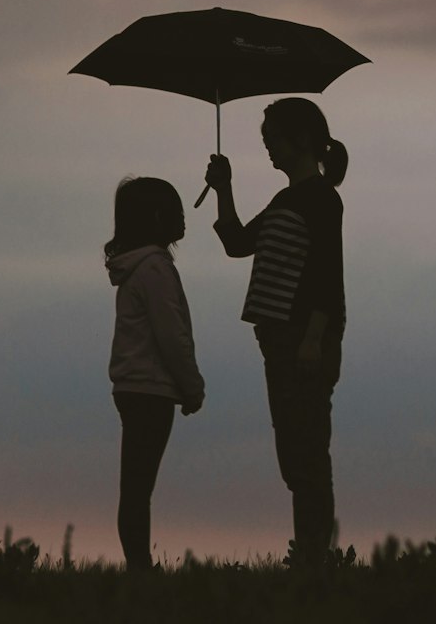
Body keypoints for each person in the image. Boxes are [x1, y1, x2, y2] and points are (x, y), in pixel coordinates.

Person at [203, 98, 347, 570]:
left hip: (302, 341)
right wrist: (223, 188)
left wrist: (314, 338)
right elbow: (237, 243)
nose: (267, 147)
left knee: (306, 455)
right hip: (278, 342)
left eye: (273, 139)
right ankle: (309, 555)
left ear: (301, 140)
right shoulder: (286, 201)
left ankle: (313, 559)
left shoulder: (323, 199)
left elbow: (328, 274)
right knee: (294, 454)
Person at [105, 176, 205, 572]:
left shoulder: (136, 269)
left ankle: (138, 566)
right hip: (151, 389)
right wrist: (192, 387)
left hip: (132, 386)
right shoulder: (156, 270)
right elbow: (171, 335)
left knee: (135, 485)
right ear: (160, 216)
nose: (183, 218)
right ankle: (140, 568)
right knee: (138, 488)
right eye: (177, 210)